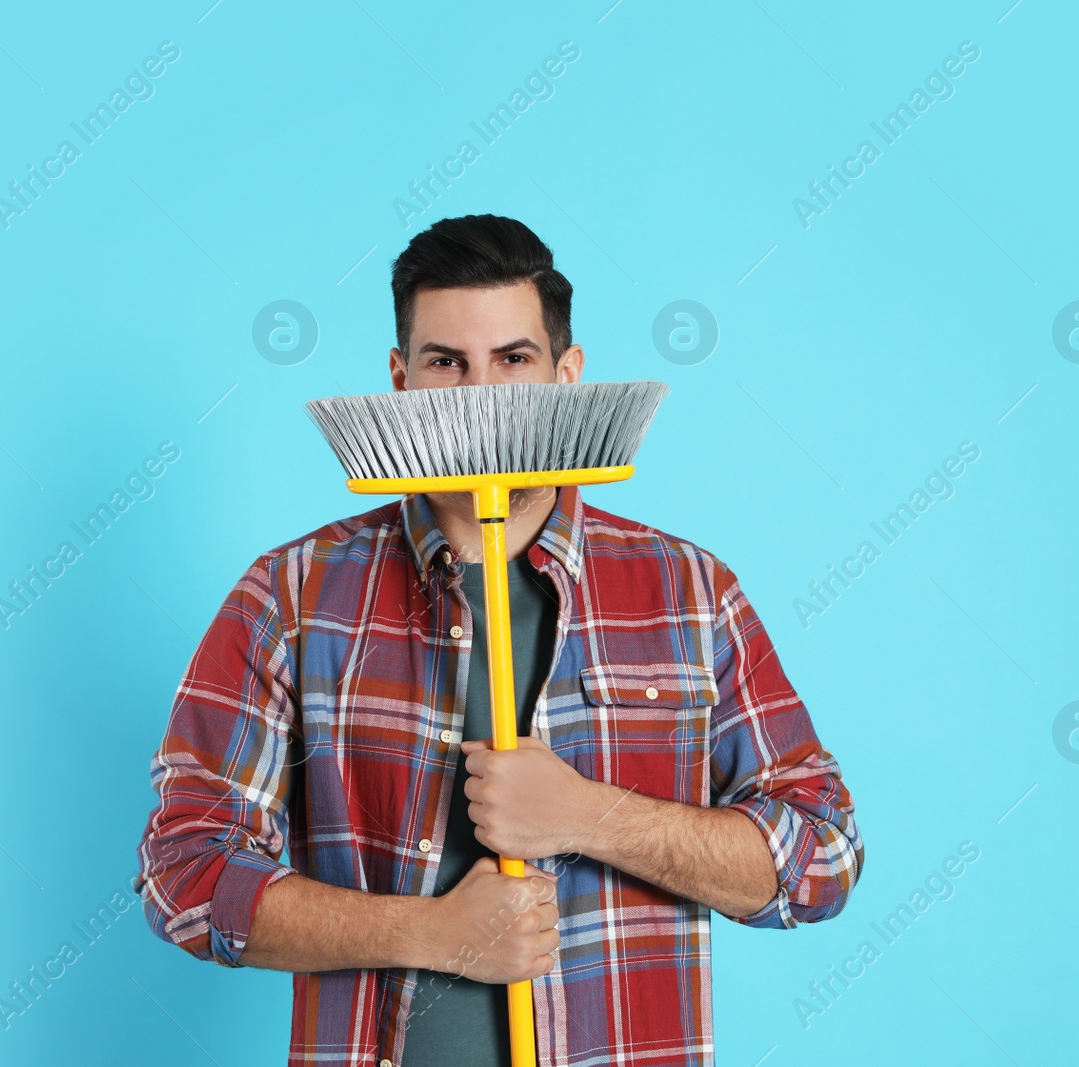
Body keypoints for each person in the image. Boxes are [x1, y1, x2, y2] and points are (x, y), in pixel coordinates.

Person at [134, 214, 864, 1067]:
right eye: (448, 363)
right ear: (401, 381)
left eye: (513, 360)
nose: (482, 395)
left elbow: (823, 856)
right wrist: (431, 931)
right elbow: (184, 874)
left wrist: (590, 814)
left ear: (568, 375)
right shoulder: (292, 597)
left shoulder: (690, 593)